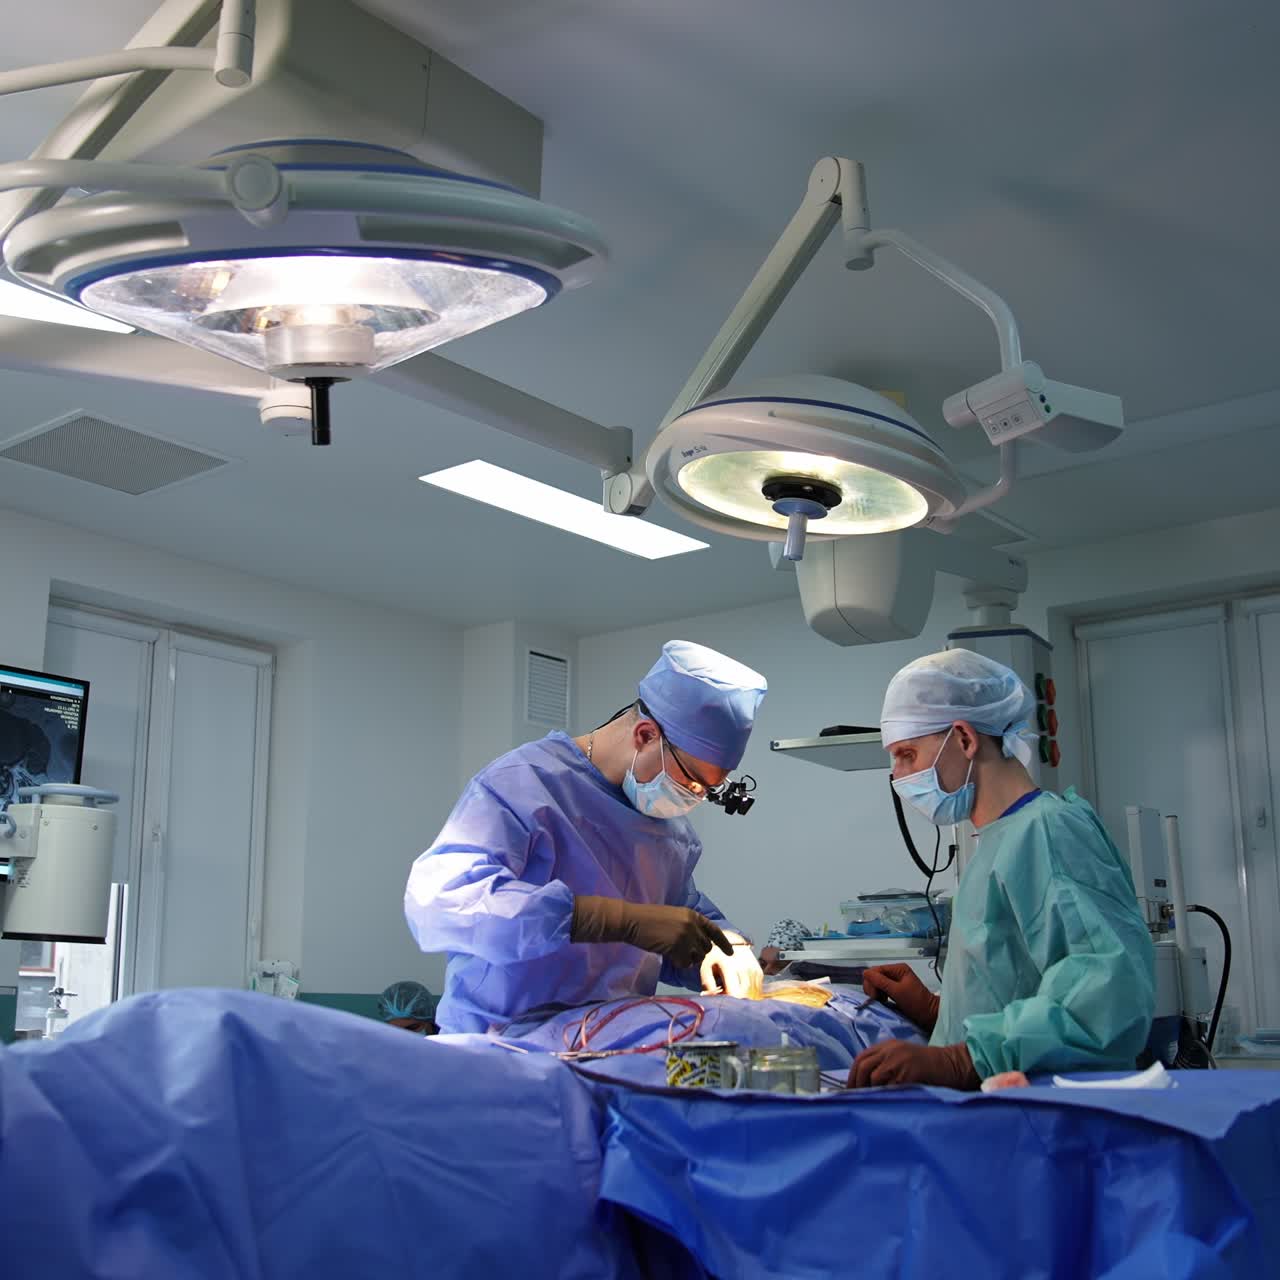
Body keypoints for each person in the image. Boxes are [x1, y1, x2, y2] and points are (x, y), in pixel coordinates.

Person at [405, 640, 768, 1034]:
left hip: (608, 1042)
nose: (693, 798)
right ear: (645, 735)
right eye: (692, 782)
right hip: (503, 1043)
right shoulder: (524, 785)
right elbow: (441, 902)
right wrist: (612, 920)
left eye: (707, 791)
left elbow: (679, 920)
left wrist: (723, 948)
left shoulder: (669, 832)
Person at [849, 648, 1155, 1090]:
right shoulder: (999, 841)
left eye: (907, 754)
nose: (897, 777)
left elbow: (1105, 998)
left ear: (964, 739)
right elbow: (1017, 985)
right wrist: (935, 1010)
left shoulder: (1048, 832)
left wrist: (961, 1059)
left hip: (1041, 1115)